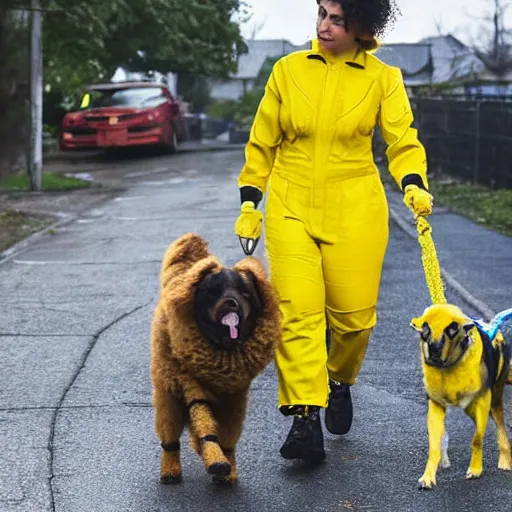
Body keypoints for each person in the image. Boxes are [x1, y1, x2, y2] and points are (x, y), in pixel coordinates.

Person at [234, 0, 434, 463]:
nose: (324, 25)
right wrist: (250, 202)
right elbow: (262, 140)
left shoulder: (384, 79)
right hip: (291, 203)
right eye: (321, 13)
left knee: (354, 321)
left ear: (361, 27)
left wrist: (413, 184)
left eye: (337, 19)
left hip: (356, 207)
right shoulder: (288, 70)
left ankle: (338, 380)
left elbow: (403, 140)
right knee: (298, 313)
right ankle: (305, 418)